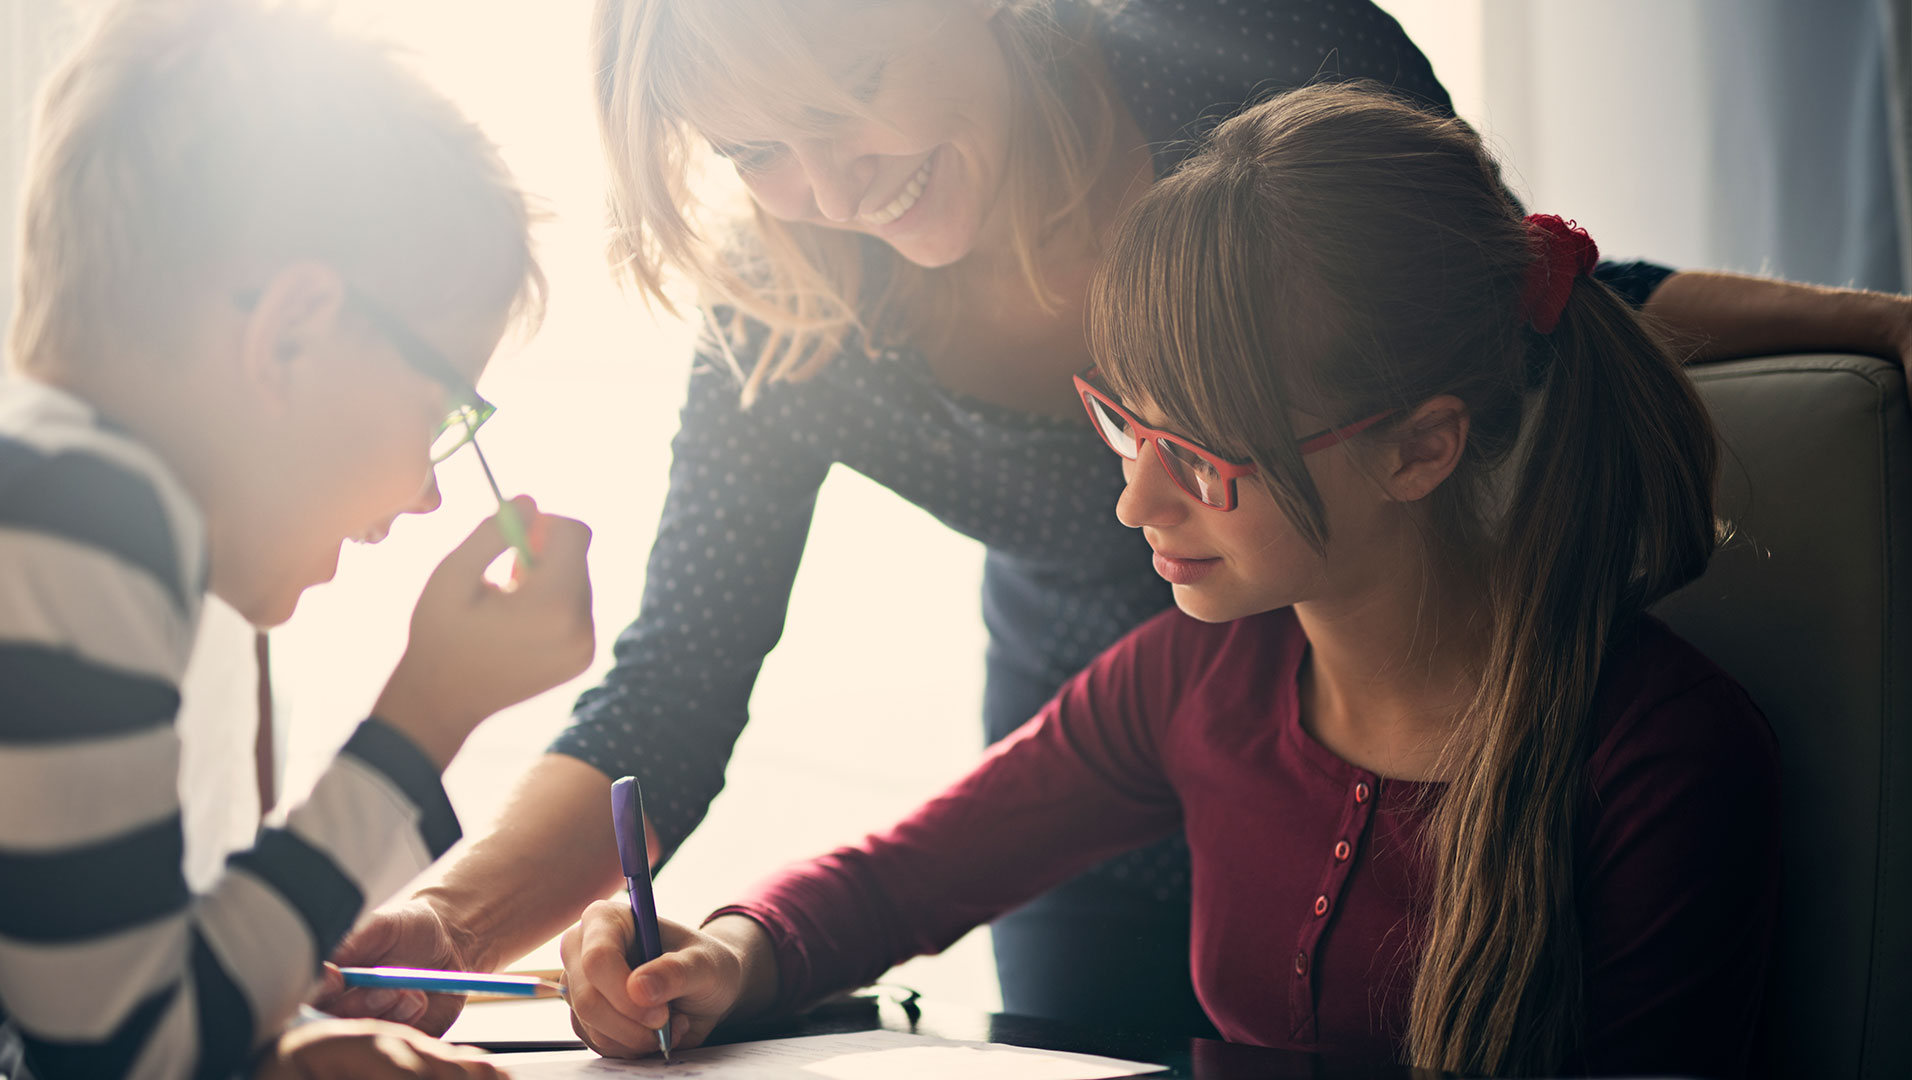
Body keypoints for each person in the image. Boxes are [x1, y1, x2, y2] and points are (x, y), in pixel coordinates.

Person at [323, 0, 1902, 1037]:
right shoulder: (795, 321)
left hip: (1420, 689)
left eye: (854, 92)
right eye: (753, 151)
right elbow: (678, 689)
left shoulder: (1247, 55)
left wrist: (1885, 330)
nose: (825, 182)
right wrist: (458, 925)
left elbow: (1508, 294)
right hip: (1130, 715)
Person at [559, 82, 1781, 1080]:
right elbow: (898, 878)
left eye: (1197, 456)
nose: (1136, 501)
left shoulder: (1660, 760)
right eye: (1126, 428)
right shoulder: (1200, 677)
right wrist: (719, 957)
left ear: (1420, 448)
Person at [0, 2, 591, 1078]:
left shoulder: (9, 504)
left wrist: (267, 1052)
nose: (429, 493)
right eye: (438, 411)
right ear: (291, 334)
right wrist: (423, 718)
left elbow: (46, 995)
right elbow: (117, 1053)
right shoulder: (68, 540)